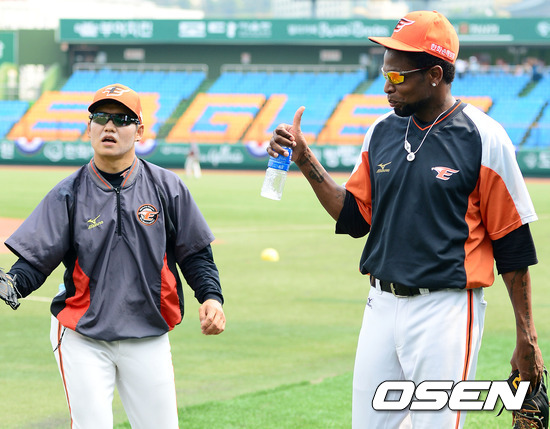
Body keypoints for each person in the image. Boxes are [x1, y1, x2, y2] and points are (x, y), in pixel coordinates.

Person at [269, 10, 544, 429]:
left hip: (447, 310)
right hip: (380, 305)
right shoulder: (380, 132)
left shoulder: (484, 137)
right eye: (385, 73)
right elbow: (355, 217)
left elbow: (512, 243)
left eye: (397, 76)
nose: (386, 86)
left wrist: (527, 336)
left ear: (435, 75)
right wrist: (305, 159)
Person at [2, 83, 226, 428]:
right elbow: (35, 259)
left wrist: (211, 297)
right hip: (83, 332)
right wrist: (11, 284)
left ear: (139, 131)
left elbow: (196, 253)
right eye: (101, 117)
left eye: (122, 119)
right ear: (89, 127)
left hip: (148, 330)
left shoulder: (167, 187)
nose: (109, 126)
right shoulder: (68, 193)